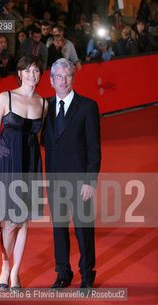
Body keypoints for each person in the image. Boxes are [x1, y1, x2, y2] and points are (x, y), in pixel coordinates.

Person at [0, 55, 48, 292]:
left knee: (24, 220)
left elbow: (37, 138)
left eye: (36, 71)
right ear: (19, 73)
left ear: (41, 75)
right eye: (27, 70)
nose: (31, 75)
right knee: (9, 222)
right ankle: (5, 266)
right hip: (8, 162)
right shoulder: (5, 97)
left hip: (30, 163)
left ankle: (16, 271)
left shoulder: (43, 103)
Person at [43, 58, 101, 289]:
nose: (64, 80)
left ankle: (87, 274)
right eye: (59, 76)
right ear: (51, 80)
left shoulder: (87, 106)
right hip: (54, 180)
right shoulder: (44, 107)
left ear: (73, 78)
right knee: (59, 229)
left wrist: (90, 181)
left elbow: (94, 148)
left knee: (83, 229)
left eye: (68, 76)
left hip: (80, 182)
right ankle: (63, 273)